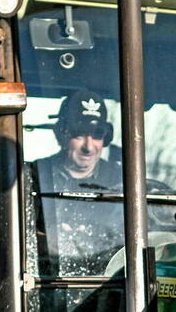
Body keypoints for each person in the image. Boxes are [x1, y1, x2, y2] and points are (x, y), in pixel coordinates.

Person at [33, 90, 124, 274]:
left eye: (97, 135)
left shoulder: (122, 180)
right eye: (79, 134)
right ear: (61, 134)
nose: (88, 147)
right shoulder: (35, 176)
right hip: (44, 282)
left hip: (110, 285)